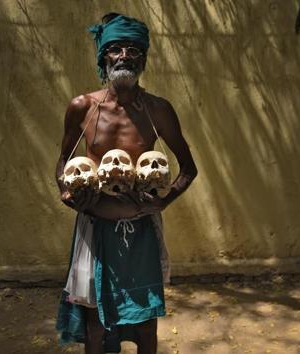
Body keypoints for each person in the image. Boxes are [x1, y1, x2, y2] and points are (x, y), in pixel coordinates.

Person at [55, 13, 197, 354]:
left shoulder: (158, 110)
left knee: (146, 324)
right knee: (95, 327)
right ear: (104, 56)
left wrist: (162, 202)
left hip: (141, 230)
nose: (123, 57)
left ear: (143, 58)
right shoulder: (83, 108)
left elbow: (188, 168)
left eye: (133, 50)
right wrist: (68, 193)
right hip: (95, 227)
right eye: (115, 49)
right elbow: (63, 163)